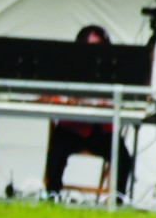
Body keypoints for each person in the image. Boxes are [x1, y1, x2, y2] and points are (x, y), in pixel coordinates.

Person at [42, 24, 134, 201]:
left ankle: (118, 198)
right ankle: (52, 194)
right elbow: (54, 92)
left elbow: (121, 98)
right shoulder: (69, 66)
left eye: (96, 45)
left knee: (123, 157)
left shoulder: (113, 69)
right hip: (73, 127)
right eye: (87, 44)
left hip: (102, 131)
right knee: (56, 150)